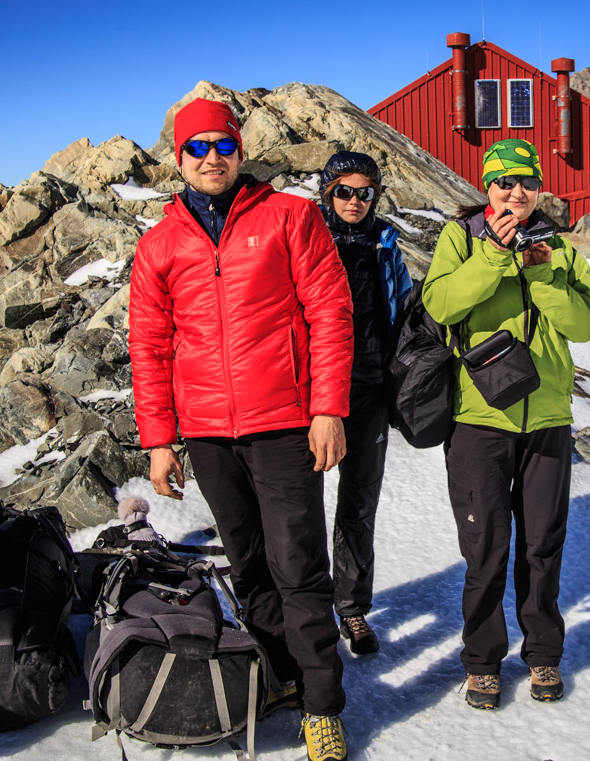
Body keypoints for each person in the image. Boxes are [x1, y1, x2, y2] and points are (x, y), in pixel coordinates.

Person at [129, 97, 353, 761]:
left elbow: (331, 314)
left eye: (221, 145)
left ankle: (322, 704)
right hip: (205, 431)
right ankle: (279, 679)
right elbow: (150, 347)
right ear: (180, 158)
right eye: (196, 148)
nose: (211, 159)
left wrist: (328, 408)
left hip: (284, 421)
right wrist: (159, 440)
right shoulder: (159, 244)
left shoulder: (290, 217)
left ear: (240, 150)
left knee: (298, 568)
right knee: (250, 566)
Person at [421, 139, 590, 710]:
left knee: (544, 544)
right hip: (480, 420)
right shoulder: (461, 237)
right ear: (486, 187)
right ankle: (482, 661)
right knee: (486, 547)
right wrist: (495, 259)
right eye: (502, 182)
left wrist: (543, 274)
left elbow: (584, 325)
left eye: (525, 181)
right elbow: (441, 305)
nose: (514, 192)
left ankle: (543, 653)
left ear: (539, 187)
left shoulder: (559, 247)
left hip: (547, 418)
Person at [316, 151, 412, 656]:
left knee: (359, 502)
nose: (355, 201)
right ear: (327, 192)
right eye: (344, 191)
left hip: (371, 387)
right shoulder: (307, 238)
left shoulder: (386, 243)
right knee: (301, 505)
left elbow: (402, 305)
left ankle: (351, 609)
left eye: (365, 192)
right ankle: (308, 607)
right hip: (310, 394)